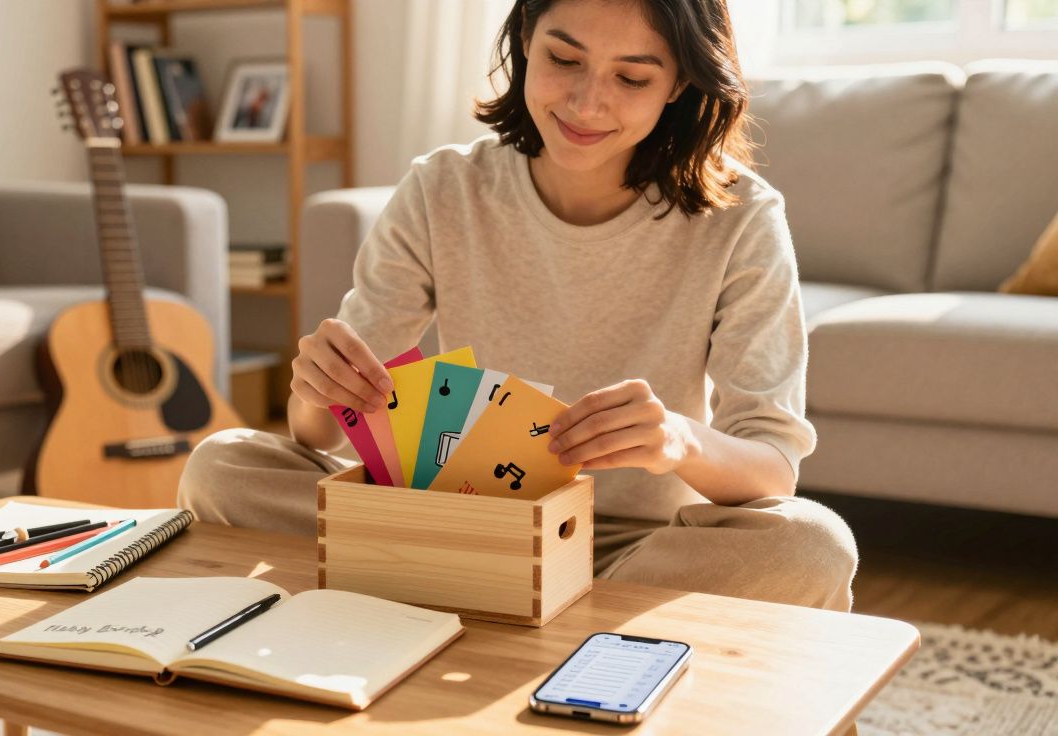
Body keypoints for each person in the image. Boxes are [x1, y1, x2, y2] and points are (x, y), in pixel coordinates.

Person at [180, 0, 859, 613]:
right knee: (224, 465)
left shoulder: (742, 220)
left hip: (632, 550)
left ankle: (466, 600)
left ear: (679, 83)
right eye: (565, 59)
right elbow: (323, 433)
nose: (588, 102)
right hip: (452, 524)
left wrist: (681, 439)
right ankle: (525, 607)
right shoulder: (444, 188)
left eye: (632, 77)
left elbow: (772, 465)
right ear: (528, 38)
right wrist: (312, 394)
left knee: (812, 546)